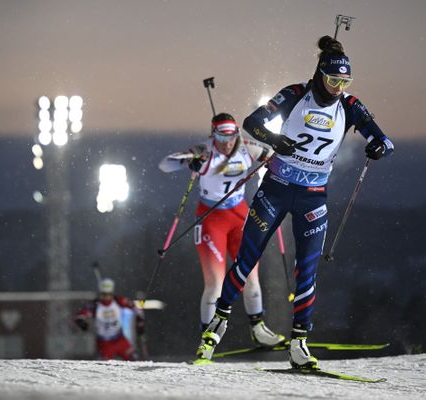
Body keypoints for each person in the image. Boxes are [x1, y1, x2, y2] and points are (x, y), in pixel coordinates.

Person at [197, 36, 395, 369]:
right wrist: (275, 139)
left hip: (313, 197)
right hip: (275, 188)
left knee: (307, 270)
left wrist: (379, 147)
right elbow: (252, 123)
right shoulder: (295, 93)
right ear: (320, 74)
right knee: (247, 259)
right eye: (333, 80)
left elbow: (384, 140)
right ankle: (215, 328)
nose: (337, 88)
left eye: (344, 82)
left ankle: (299, 343)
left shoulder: (349, 104)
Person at [158, 113, 285, 355]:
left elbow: (277, 157)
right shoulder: (203, 151)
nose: (226, 143)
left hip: (240, 216)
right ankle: (207, 339)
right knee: (215, 284)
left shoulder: (247, 148)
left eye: (230, 136)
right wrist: (188, 162)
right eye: (220, 136)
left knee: (250, 277)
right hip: (211, 219)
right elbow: (165, 164)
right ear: (212, 135)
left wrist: (274, 165)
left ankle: (259, 330)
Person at [74, 278, 145, 361]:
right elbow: (80, 315)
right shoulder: (95, 305)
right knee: (104, 365)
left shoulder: (118, 301)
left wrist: (140, 320)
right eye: (104, 294)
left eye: (109, 294)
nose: (106, 297)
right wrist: (81, 322)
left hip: (120, 339)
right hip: (104, 343)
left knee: (134, 359)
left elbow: (135, 308)